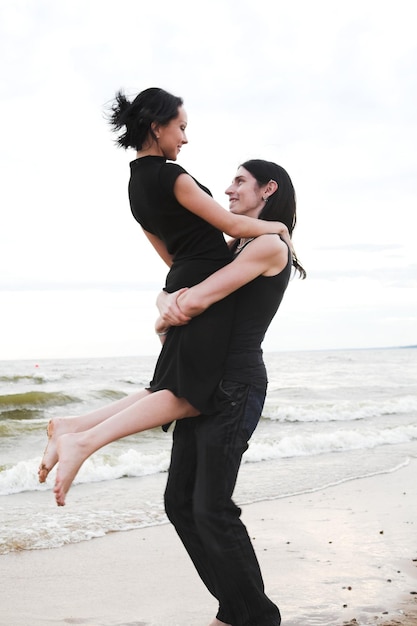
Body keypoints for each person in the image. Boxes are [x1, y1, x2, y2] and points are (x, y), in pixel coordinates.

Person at [38, 87, 292, 506]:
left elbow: (168, 255)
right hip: (202, 282)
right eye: (181, 127)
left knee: (169, 386)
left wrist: (168, 293)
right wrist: (278, 228)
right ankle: (85, 440)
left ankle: (71, 425)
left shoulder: (135, 189)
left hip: (183, 276)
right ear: (156, 127)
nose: (185, 139)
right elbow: (231, 225)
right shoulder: (176, 177)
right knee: (191, 394)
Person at [158, 159, 305, 626]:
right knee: (180, 503)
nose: (227, 188)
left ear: (268, 189)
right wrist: (167, 302)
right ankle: (238, 608)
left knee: (211, 506)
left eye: (240, 181)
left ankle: (254, 615)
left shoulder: (267, 245)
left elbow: (193, 299)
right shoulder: (235, 247)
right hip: (202, 380)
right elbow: (177, 295)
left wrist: (172, 304)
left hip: (237, 384)